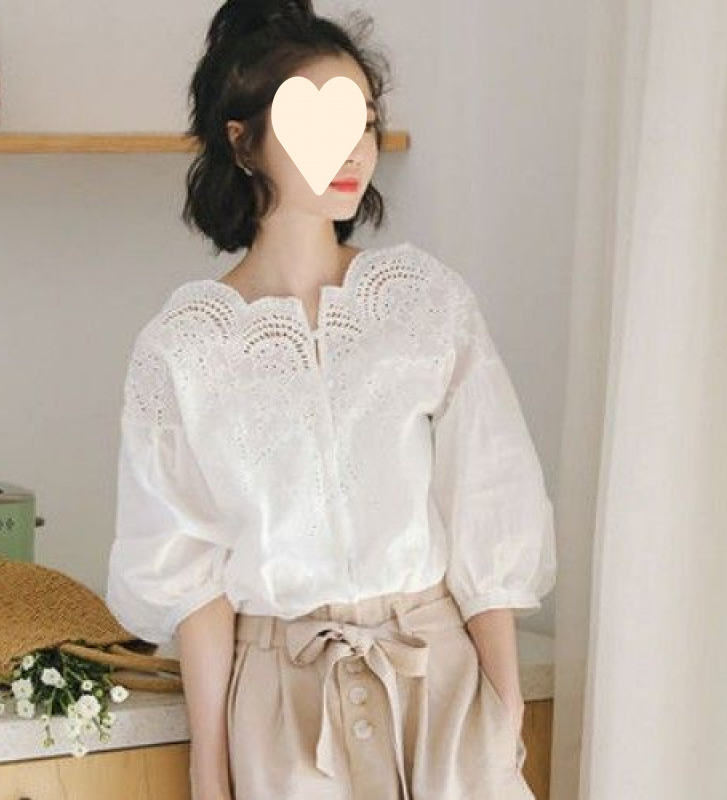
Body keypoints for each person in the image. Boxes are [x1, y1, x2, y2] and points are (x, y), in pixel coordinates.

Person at [104, 1, 557, 799]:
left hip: (441, 686)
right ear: (243, 141)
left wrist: (505, 706)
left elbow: (486, 497)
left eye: (364, 122)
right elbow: (192, 579)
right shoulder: (183, 348)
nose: (352, 150)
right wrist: (211, 768)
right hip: (283, 710)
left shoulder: (423, 304)